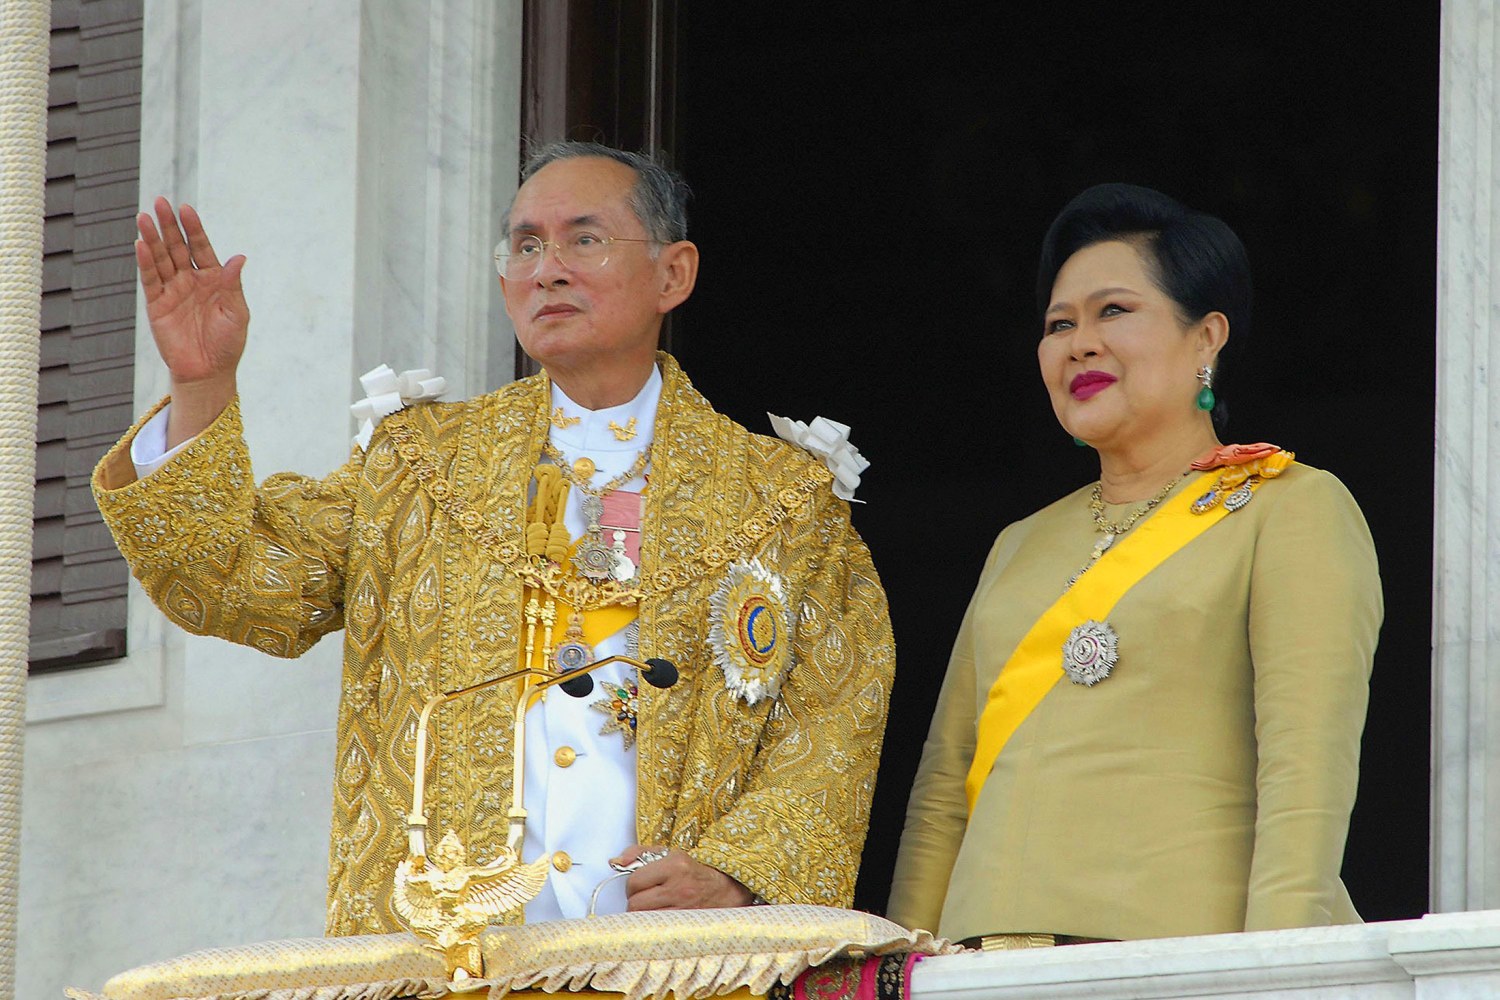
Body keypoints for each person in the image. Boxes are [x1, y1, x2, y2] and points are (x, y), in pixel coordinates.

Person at [92, 141, 895, 934]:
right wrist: (202, 385)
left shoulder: (782, 501)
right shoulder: (418, 465)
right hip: (447, 964)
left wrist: (737, 873)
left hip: (676, 965)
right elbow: (233, 580)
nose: (547, 268)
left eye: (584, 239)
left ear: (672, 274)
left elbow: (835, 715)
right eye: (525, 245)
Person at [887, 183, 1382, 946]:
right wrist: (902, 962)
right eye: (1059, 324)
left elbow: (1304, 782)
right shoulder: (1020, 542)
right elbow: (943, 792)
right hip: (981, 965)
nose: (1079, 342)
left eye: (1113, 311)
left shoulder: (1291, 507)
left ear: (1206, 337)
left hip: (1176, 961)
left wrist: (1280, 970)